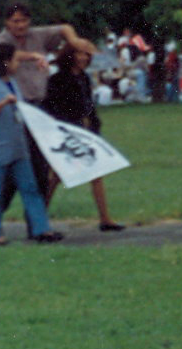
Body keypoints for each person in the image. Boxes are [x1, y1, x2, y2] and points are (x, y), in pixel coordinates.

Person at [0, 44, 61, 246]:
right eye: (14, 59)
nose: (17, 63)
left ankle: (42, 229)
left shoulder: (12, 82)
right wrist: (1, 105)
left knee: (31, 189)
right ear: (4, 63)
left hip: (18, 147)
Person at [40, 46, 124, 232]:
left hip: (86, 132)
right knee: (57, 175)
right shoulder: (57, 79)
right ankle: (38, 216)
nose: (84, 58)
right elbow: (52, 107)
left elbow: (89, 105)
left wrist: (94, 126)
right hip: (67, 132)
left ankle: (105, 218)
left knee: (96, 173)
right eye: (80, 53)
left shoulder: (84, 78)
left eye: (86, 54)